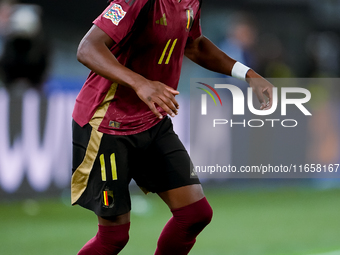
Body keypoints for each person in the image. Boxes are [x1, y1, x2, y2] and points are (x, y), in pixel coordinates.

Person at [71, 0, 274, 254]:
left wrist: (246, 73)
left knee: (195, 214)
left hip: (152, 120)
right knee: (114, 237)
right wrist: (140, 83)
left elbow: (195, 45)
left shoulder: (192, 2)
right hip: (106, 124)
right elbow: (87, 48)